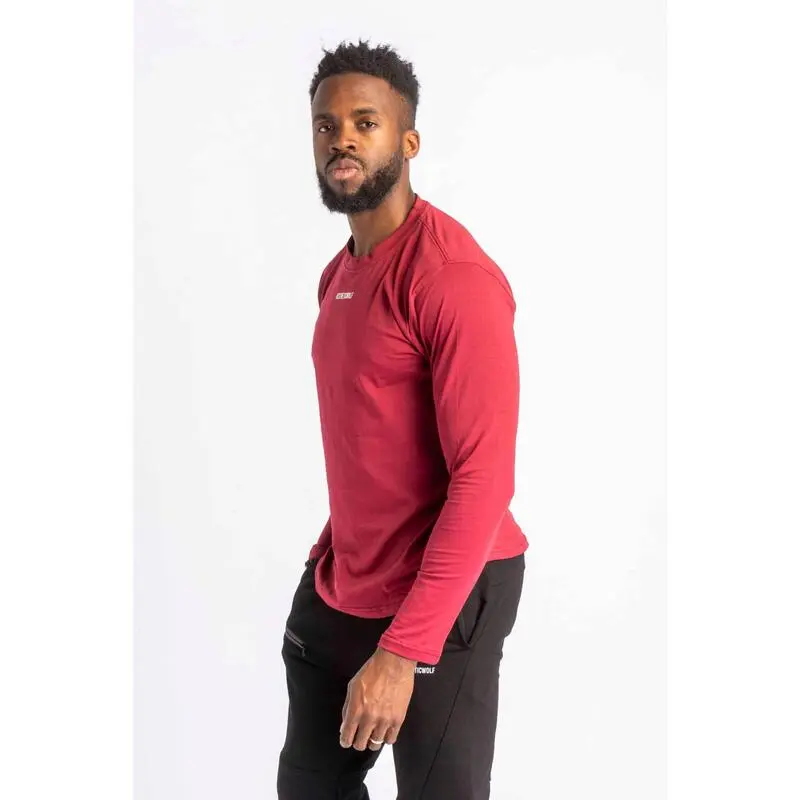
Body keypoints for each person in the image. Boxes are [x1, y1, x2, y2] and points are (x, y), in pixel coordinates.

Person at [277, 39, 529, 800]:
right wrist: (328, 554)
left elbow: (483, 480)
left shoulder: (452, 278)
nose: (342, 140)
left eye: (366, 122)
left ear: (408, 141)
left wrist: (404, 652)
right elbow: (368, 439)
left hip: (449, 594)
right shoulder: (339, 274)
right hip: (347, 586)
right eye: (326, 126)